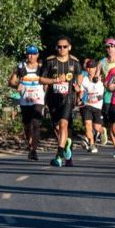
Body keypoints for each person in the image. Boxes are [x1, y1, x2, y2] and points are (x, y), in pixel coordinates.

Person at [40, 37, 83, 167]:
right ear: (56, 48)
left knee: (64, 124)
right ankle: (66, 144)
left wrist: (78, 86)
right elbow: (41, 79)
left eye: (65, 46)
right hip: (53, 98)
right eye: (59, 47)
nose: (62, 49)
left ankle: (58, 157)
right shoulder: (50, 61)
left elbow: (80, 75)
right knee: (57, 128)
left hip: (68, 98)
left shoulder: (74, 62)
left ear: (69, 47)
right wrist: (54, 81)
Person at [9, 46, 46, 161]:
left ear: (37, 55)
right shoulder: (20, 67)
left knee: (36, 124)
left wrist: (46, 93)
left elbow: (47, 81)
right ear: (26, 55)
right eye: (29, 54)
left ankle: (34, 150)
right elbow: (11, 81)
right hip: (25, 100)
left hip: (38, 99)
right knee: (27, 126)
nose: (31, 56)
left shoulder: (41, 67)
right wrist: (16, 85)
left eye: (33, 54)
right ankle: (30, 145)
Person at [78, 59, 106, 154]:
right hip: (87, 105)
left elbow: (104, 92)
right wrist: (80, 98)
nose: (90, 70)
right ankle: (92, 144)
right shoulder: (84, 80)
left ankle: (102, 131)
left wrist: (97, 98)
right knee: (87, 125)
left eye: (92, 68)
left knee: (97, 127)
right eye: (88, 68)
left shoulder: (101, 78)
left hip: (98, 107)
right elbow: (81, 92)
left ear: (95, 69)